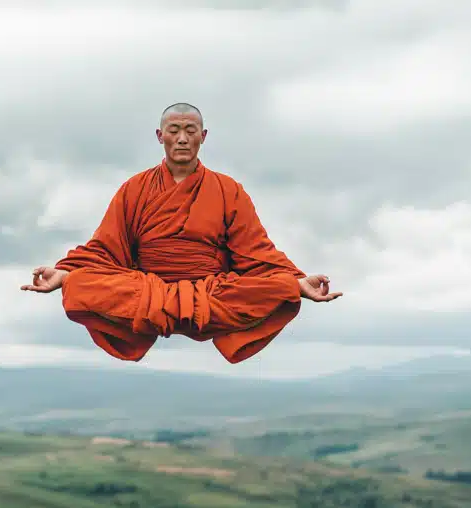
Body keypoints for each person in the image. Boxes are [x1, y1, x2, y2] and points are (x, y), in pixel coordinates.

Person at [21, 103, 342, 364]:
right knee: (80, 286)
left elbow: (256, 250)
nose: (183, 138)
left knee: (278, 289)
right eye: (174, 131)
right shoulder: (134, 189)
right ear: (160, 136)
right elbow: (106, 246)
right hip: (146, 289)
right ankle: (166, 310)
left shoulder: (228, 190)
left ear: (204, 136)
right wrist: (64, 274)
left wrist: (297, 282)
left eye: (190, 131)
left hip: (211, 291)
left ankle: (172, 312)